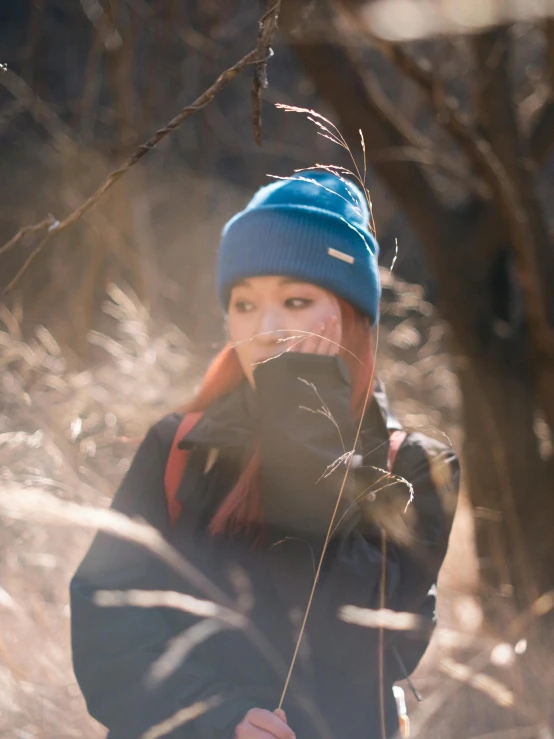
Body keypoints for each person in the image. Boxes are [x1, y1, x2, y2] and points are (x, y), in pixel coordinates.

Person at [70, 171, 460, 739]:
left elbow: (357, 647)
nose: (266, 328)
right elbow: (108, 630)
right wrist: (215, 720)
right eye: (245, 304)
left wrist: (302, 433)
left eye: (296, 300)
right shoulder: (180, 447)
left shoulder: (413, 469)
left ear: (352, 319)